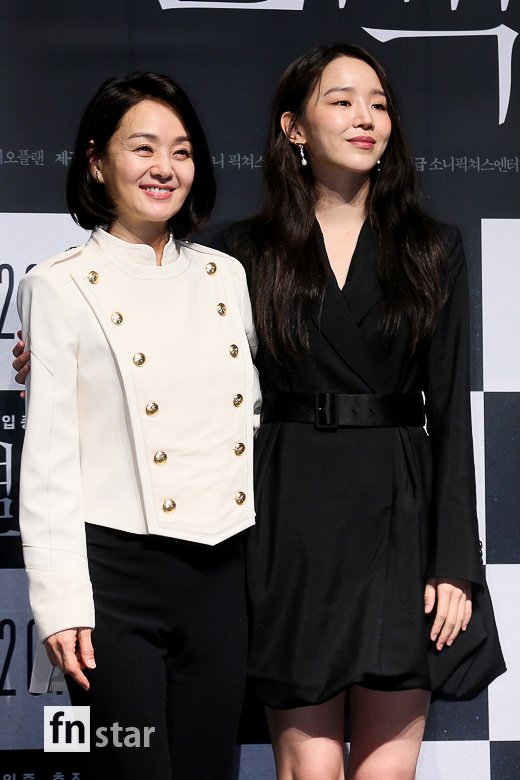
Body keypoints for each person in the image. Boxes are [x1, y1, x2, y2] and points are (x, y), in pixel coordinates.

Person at [224, 44, 505, 780]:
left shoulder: (432, 248)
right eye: (342, 101)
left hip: (399, 512)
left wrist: (455, 563)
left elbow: (451, 415)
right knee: (307, 769)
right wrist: (60, 355)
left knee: (386, 771)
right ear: (293, 127)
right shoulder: (242, 252)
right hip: (290, 512)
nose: (366, 118)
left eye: (378, 104)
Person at [15, 72, 260, 780]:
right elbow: (49, 459)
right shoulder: (57, 285)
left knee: (209, 770)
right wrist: (60, 602)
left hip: (222, 572)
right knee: (130, 770)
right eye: (143, 147)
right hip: (114, 583)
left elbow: (254, 410)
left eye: (181, 151)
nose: (165, 168)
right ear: (98, 162)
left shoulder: (226, 276)